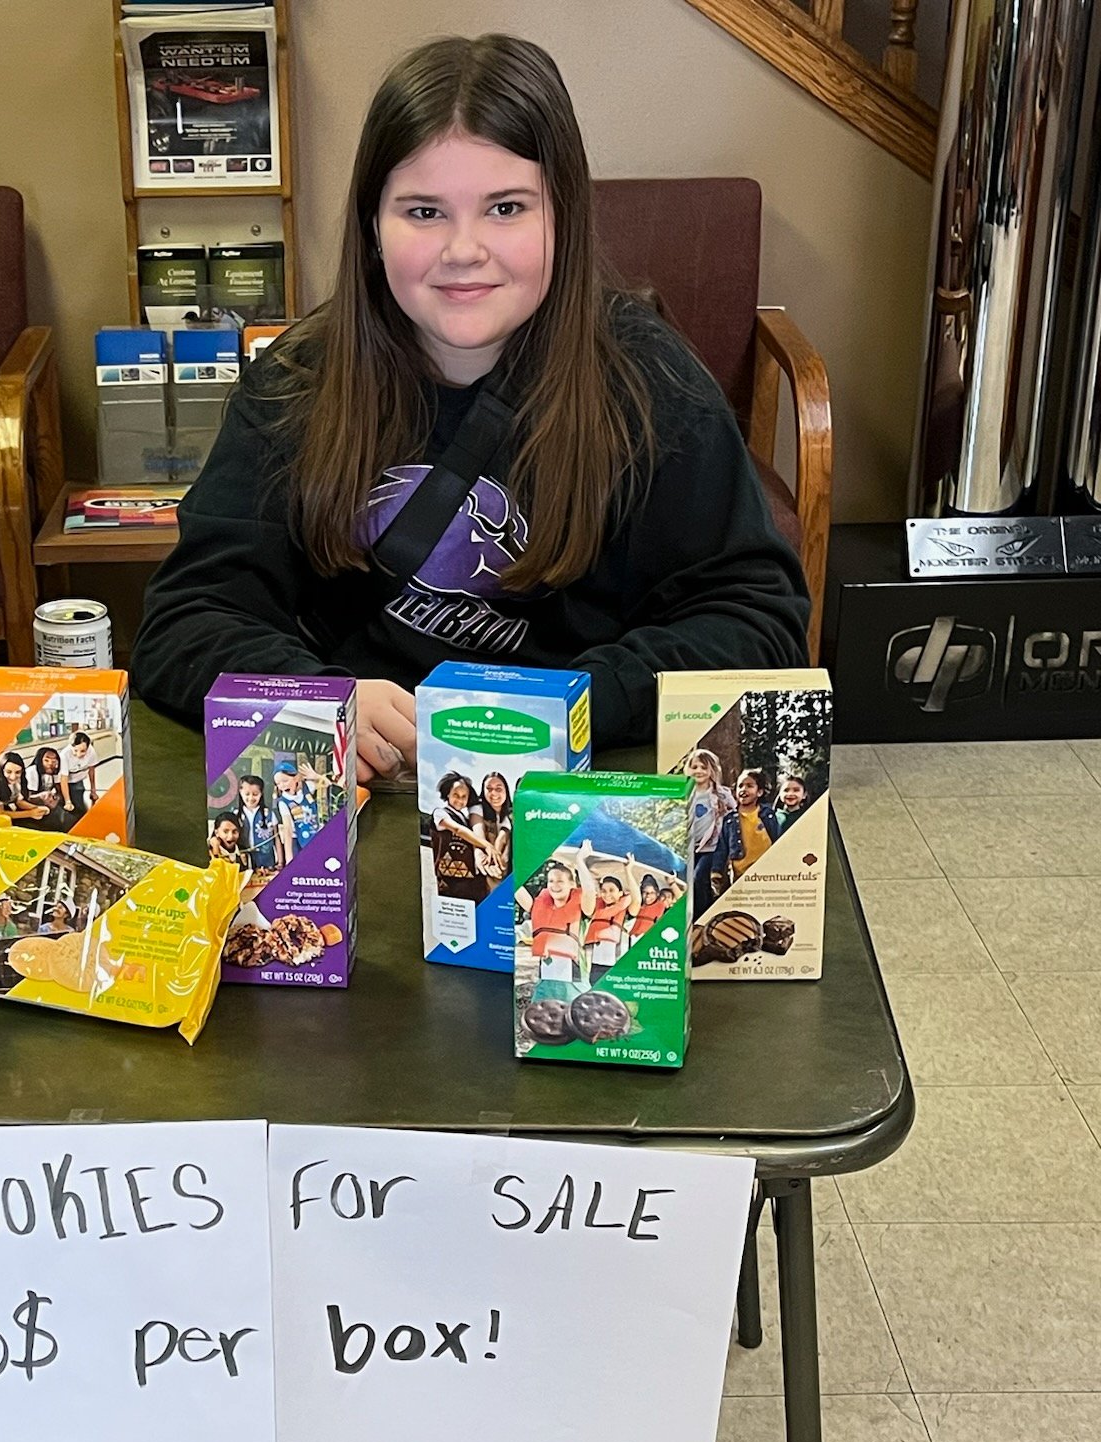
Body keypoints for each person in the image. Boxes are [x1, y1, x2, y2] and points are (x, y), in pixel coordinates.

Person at [129, 34, 809, 781]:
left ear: (566, 216)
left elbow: (757, 622)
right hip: (367, 786)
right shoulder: (296, 382)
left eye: (507, 207)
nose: (464, 248)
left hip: (574, 788)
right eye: (423, 211)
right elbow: (185, 620)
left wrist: (576, 703)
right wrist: (318, 701)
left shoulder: (652, 383)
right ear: (372, 229)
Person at [685, 747, 736, 915]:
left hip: (711, 847)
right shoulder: (684, 793)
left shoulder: (721, 794)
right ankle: (691, 915)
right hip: (690, 846)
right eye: (695, 767)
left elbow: (733, 818)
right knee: (688, 882)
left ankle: (703, 916)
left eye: (704, 767)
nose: (699, 771)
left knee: (699, 878)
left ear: (712, 770)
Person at [430, 769, 494, 899]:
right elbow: (458, 830)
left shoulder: (466, 819)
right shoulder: (440, 814)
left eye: (464, 796)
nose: (460, 799)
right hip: (451, 883)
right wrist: (486, 845)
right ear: (447, 794)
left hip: (472, 884)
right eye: (456, 795)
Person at [517, 857, 584, 981]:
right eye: (551, 881)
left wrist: (580, 862)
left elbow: (590, 890)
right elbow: (516, 888)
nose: (554, 885)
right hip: (546, 976)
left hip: (573, 977)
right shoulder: (539, 907)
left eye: (560, 881)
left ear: (572, 884)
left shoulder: (583, 908)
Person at [720, 767, 781, 877]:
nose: (744, 789)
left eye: (749, 786)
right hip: (740, 874)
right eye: (740, 786)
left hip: (766, 872)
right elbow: (722, 848)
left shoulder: (768, 814)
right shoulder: (729, 819)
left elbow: (777, 838)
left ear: (759, 792)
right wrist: (717, 871)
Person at [581, 865, 632, 982]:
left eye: (611, 890)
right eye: (603, 891)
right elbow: (589, 889)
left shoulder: (627, 910)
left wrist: (628, 870)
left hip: (616, 966)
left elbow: (637, 898)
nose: (607, 894)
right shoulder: (595, 907)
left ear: (620, 893)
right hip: (595, 966)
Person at [273, 758, 322, 865]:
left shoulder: (308, 788)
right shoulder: (283, 803)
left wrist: (317, 777)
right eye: (278, 783)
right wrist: (289, 859)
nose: (282, 785)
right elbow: (288, 830)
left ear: (296, 778)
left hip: (316, 835)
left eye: (285, 781)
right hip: (298, 841)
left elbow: (330, 786)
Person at [235, 773, 279, 877]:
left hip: (267, 862)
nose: (251, 798)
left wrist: (280, 861)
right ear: (240, 792)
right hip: (245, 863)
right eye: (247, 794)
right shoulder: (236, 815)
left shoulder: (269, 814)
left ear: (261, 793)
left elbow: (276, 838)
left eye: (255, 794)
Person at [0, 751, 50, 824]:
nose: (13, 777)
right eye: (8, 772)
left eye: (17, 772)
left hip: (10, 816)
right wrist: (30, 813)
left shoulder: (17, 781)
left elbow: (19, 801)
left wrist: (36, 808)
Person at [476, 769, 513, 875]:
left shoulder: (511, 815)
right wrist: (480, 851)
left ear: (506, 790)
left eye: (498, 789)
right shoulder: (478, 809)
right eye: (489, 789)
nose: (494, 793)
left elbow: (503, 835)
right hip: (483, 868)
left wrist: (496, 850)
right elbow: (477, 831)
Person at [61, 731, 100, 820]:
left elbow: (91, 770)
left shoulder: (91, 751)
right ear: (71, 747)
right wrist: (68, 801)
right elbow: (63, 779)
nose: (79, 755)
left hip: (78, 779)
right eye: (75, 750)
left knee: (80, 804)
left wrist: (93, 790)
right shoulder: (64, 755)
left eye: (83, 751)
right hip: (65, 781)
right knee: (70, 808)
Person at [30, 746, 71, 831]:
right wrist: (43, 798)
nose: (50, 764)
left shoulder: (53, 771)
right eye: (46, 760)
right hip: (34, 807)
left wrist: (62, 800)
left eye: (53, 761)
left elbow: (58, 787)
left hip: (47, 804)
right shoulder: (32, 772)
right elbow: (29, 798)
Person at [629, 872, 663, 942]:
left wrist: (672, 883)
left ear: (657, 893)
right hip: (632, 940)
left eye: (652, 893)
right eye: (645, 892)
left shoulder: (662, 906)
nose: (648, 896)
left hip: (649, 942)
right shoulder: (635, 905)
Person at [774, 769, 810, 834]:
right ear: (780, 794)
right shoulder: (773, 818)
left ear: (804, 795)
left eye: (796, 790)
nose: (790, 794)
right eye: (786, 790)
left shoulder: (807, 817)